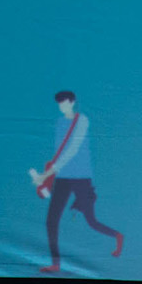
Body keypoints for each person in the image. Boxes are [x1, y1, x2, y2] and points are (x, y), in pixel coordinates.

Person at [28, 90, 124, 273]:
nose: (62, 106)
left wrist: (47, 173)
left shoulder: (82, 121)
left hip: (81, 178)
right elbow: (59, 153)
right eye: (60, 103)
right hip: (62, 177)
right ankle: (55, 263)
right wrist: (47, 176)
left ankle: (117, 236)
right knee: (51, 220)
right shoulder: (59, 123)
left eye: (64, 102)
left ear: (72, 102)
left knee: (91, 221)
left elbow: (71, 150)